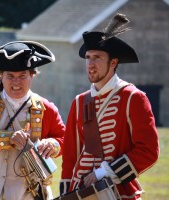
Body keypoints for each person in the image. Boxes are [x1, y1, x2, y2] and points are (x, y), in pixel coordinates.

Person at [60, 13, 159, 200]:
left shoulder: (133, 98)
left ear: (113, 63)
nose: (90, 64)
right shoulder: (80, 102)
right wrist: (66, 194)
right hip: (79, 192)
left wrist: (102, 172)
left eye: (97, 57)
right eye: (88, 58)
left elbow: (148, 151)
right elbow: (70, 157)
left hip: (118, 192)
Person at [0, 41, 65, 200]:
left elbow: (64, 140)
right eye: (10, 76)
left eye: (22, 76)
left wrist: (52, 144)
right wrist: (9, 138)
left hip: (28, 194)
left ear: (32, 75)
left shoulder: (47, 108)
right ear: (1, 75)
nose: (16, 82)